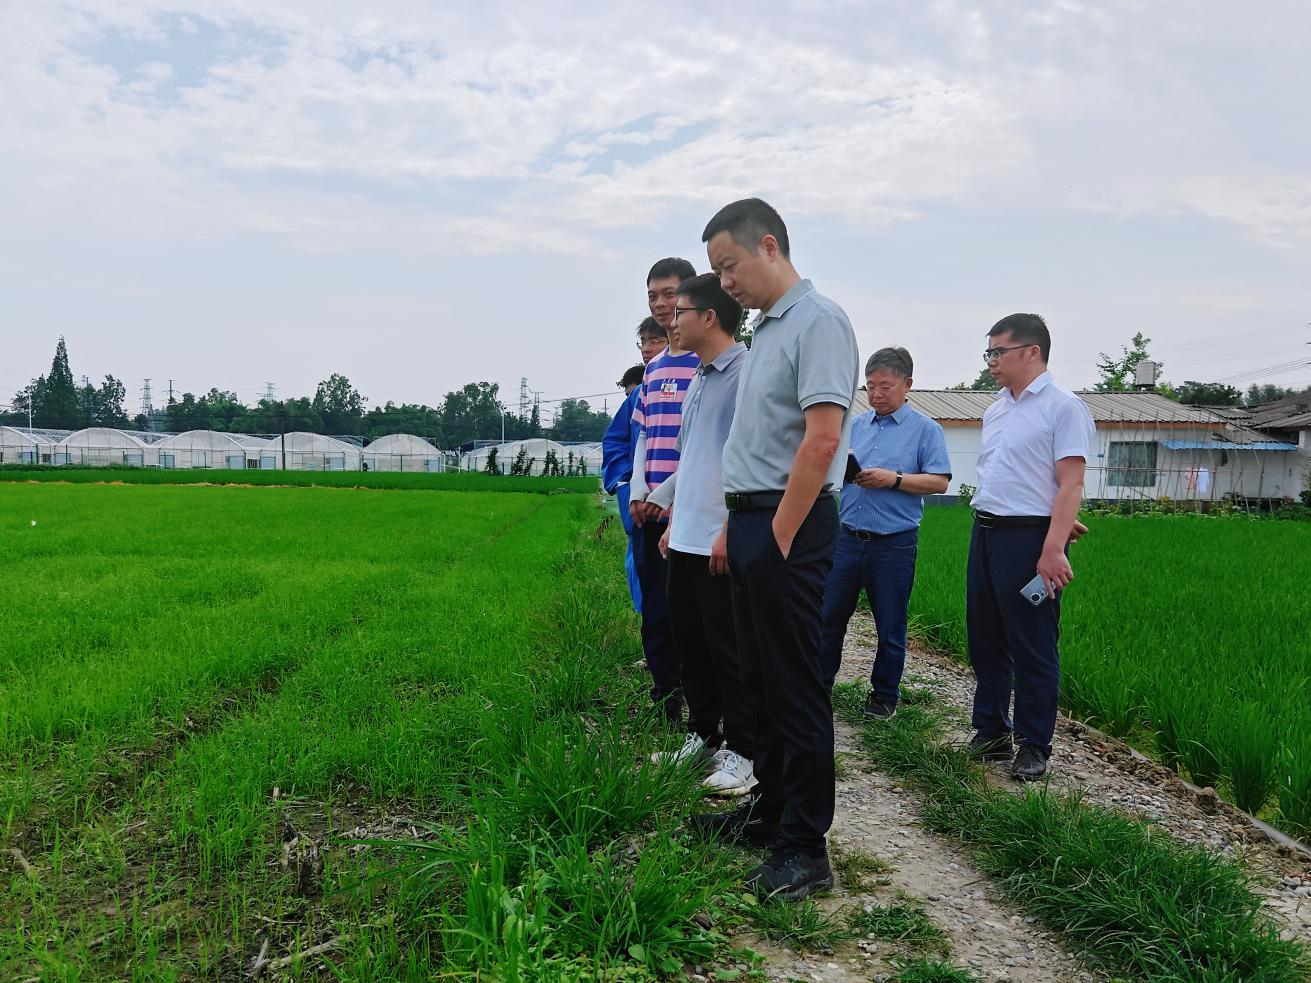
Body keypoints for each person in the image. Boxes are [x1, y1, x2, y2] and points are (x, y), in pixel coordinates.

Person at [692, 198, 859, 901]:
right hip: (754, 518)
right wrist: (737, 521)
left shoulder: (817, 322)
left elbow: (821, 439)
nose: (724, 282)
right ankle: (768, 815)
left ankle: (805, 848)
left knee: (793, 688)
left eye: (728, 266)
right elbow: (757, 441)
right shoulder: (768, 331)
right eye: (716, 271)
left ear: (768, 246)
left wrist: (780, 534)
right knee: (757, 683)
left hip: (790, 525)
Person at [966, 313, 1094, 782]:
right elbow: (1016, 476)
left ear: (1031, 352)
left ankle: (1034, 743)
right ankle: (991, 729)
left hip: (1030, 542)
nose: (991, 361)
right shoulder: (997, 408)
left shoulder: (1063, 407)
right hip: (985, 530)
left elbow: (1070, 482)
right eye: (989, 352)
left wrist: (1053, 545)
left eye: (998, 352)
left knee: (1033, 642)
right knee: (985, 637)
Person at [645, 273, 755, 795]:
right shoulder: (702, 377)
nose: (672, 319)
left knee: (727, 649)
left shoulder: (745, 375)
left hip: (720, 537)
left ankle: (743, 750)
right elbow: (695, 460)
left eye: (681, 310)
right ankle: (703, 736)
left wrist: (729, 528)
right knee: (692, 645)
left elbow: (749, 464)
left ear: (709, 316)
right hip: (687, 535)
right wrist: (669, 511)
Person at [818, 347, 951, 713]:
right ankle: (818, 688)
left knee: (890, 626)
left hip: (893, 545)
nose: (876, 394)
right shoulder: (855, 426)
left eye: (886, 386)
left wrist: (893, 480)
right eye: (870, 387)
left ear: (907, 384)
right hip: (847, 539)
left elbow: (939, 482)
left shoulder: (926, 430)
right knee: (829, 618)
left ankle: (883, 697)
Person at [628, 259, 701, 724]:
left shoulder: (708, 364)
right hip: (650, 510)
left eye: (670, 294)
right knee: (655, 612)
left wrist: (670, 494)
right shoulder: (653, 371)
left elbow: (708, 447)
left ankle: (705, 706)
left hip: (691, 509)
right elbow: (644, 436)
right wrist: (639, 489)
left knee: (693, 615)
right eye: (652, 295)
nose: (660, 304)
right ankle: (666, 699)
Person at [602, 359, 651, 613]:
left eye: (654, 340)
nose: (647, 348)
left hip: (681, 506)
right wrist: (625, 485)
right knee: (641, 573)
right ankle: (651, 648)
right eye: (642, 341)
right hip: (641, 506)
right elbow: (614, 444)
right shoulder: (633, 403)